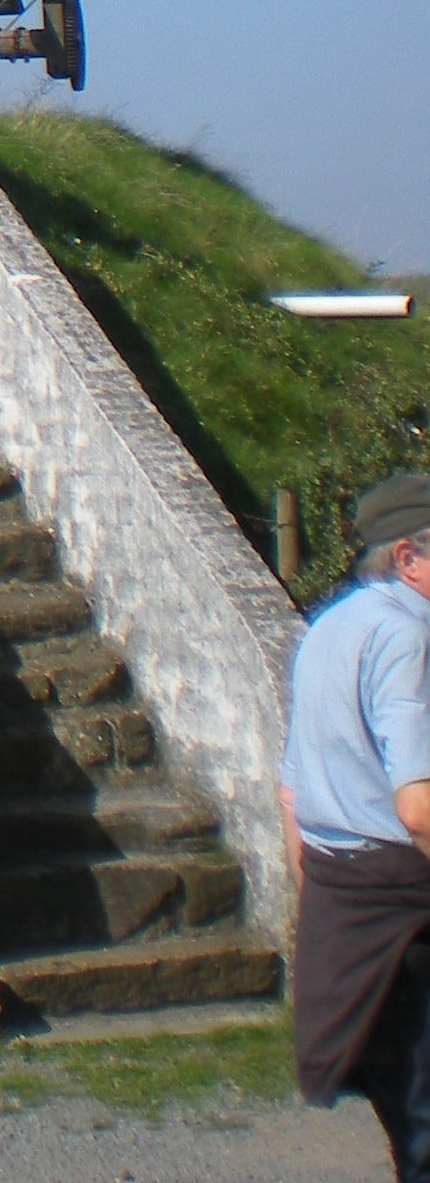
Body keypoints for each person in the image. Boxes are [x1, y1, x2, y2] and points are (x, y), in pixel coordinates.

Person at [282, 469, 430, 1179]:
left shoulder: (327, 628)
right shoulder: (410, 637)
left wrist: (317, 908)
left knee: (410, 1125)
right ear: (408, 557)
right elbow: (419, 806)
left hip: (341, 901)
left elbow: (291, 793)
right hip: (406, 909)